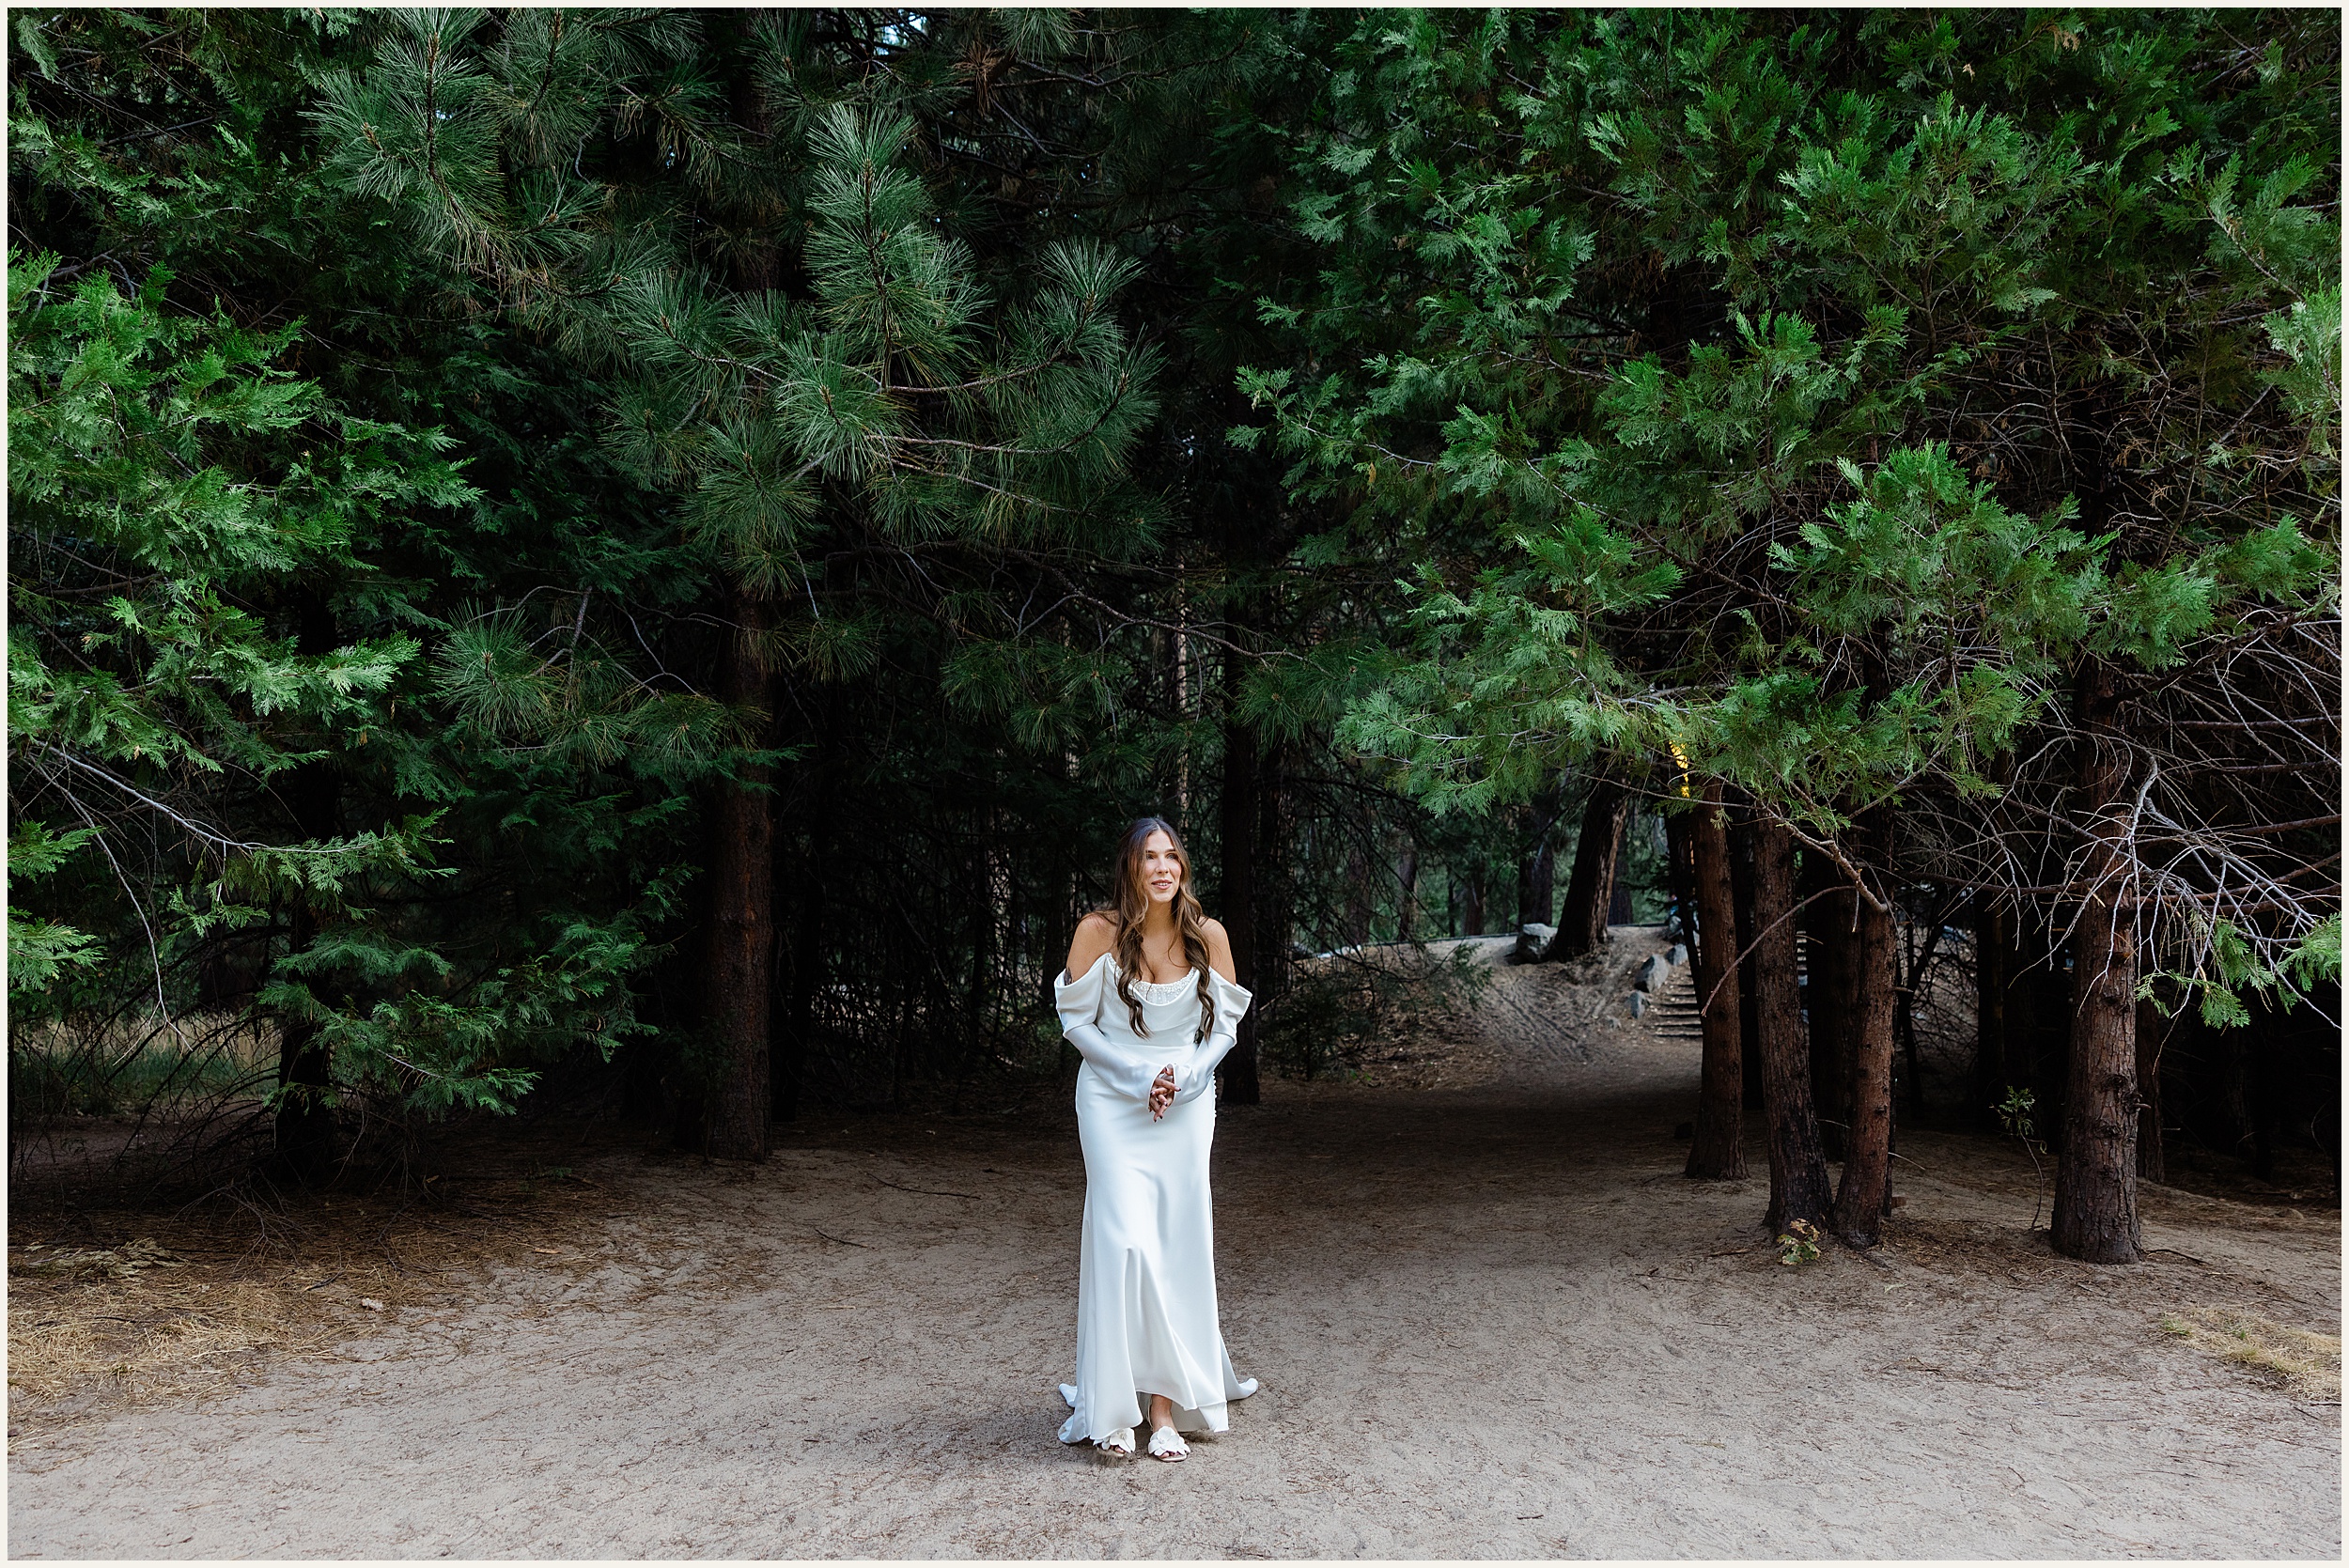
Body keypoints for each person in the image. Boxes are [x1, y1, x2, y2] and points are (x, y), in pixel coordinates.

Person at [1052, 816, 1258, 1462]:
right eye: (1151, 857)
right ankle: (1114, 1407)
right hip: (1112, 1100)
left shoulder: (1208, 935)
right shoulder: (1097, 933)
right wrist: (1138, 1072)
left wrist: (1188, 1074)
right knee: (1122, 1240)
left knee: (1171, 1242)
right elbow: (1076, 1024)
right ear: (1131, 868)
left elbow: (1224, 1028)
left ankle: (1163, 1409)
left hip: (1186, 1104)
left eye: (1173, 856)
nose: (1164, 867)